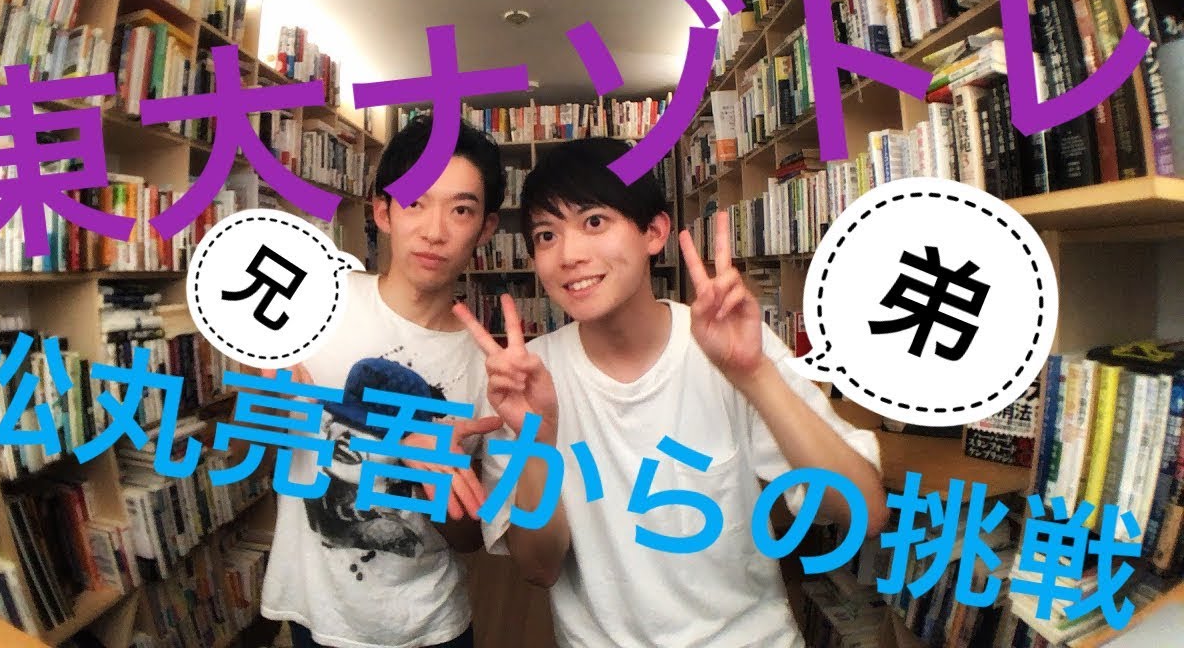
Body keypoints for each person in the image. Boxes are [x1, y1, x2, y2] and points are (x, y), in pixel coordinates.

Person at [456, 138, 891, 648]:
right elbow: (538, 569)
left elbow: (864, 512)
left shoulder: (730, 345)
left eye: (594, 221)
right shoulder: (524, 380)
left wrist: (755, 375)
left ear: (654, 232)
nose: (569, 255)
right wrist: (537, 439)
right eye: (547, 235)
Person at [261, 115, 506, 648]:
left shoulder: (492, 370)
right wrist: (273, 403)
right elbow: (256, 451)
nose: (435, 230)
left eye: (461, 209)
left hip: (432, 626)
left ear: (486, 228)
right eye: (415, 202)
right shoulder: (314, 305)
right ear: (382, 212)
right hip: (315, 617)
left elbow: (468, 539)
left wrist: (442, 482)